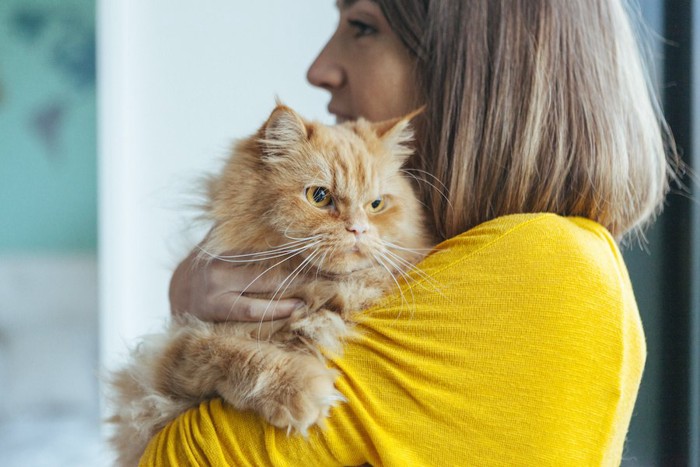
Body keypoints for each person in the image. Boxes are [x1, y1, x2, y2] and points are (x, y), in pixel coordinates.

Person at [145, 0, 677, 465]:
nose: (319, 68)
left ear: (479, 62)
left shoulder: (545, 264)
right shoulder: (477, 256)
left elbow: (178, 459)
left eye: (362, 26)